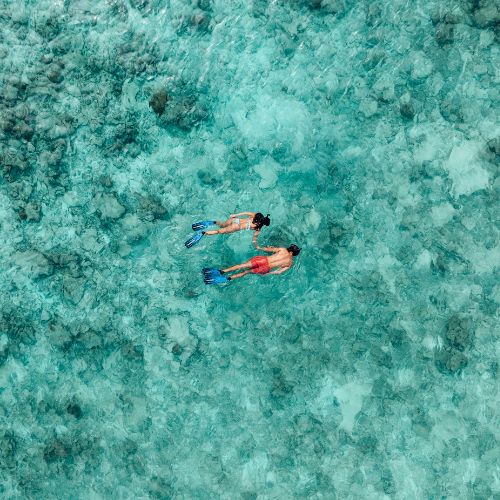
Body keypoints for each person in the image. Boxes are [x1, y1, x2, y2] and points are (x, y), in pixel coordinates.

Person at [202, 234, 301, 284]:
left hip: (263, 260)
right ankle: (226, 278)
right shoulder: (289, 263)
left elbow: (268, 249)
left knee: (242, 265)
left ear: (291, 251)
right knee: (246, 272)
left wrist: (260, 247)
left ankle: (222, 271)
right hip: (266, 268)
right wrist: (268, 273)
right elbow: (278, 272)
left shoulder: (283, 250)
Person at [185, 212, 270, 248]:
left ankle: (214, 222)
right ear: (264, 224)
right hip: (235, 227)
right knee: (219, 232)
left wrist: (235, 214)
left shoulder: (256, 215)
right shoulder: (258, 228)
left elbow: (246, 213)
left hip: (235, 220)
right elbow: (254, 239)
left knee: (222, 225)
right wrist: (257, 246)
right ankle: (203, 233)